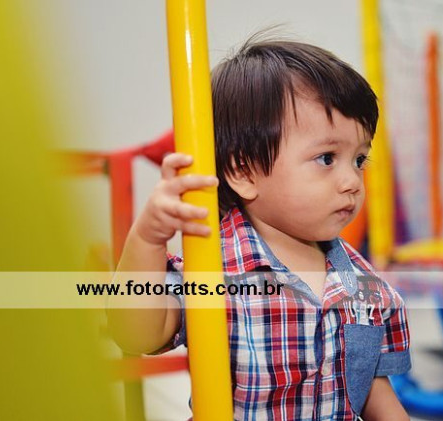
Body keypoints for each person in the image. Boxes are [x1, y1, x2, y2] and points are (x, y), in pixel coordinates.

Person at [108, 32, 411, 421]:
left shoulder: (365, 284)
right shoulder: (213, 266)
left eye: (359, 160)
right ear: (244, 172)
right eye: (326, 158)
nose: (352, 181)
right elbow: (134, 333)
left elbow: (371, 388)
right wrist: (148, 239)